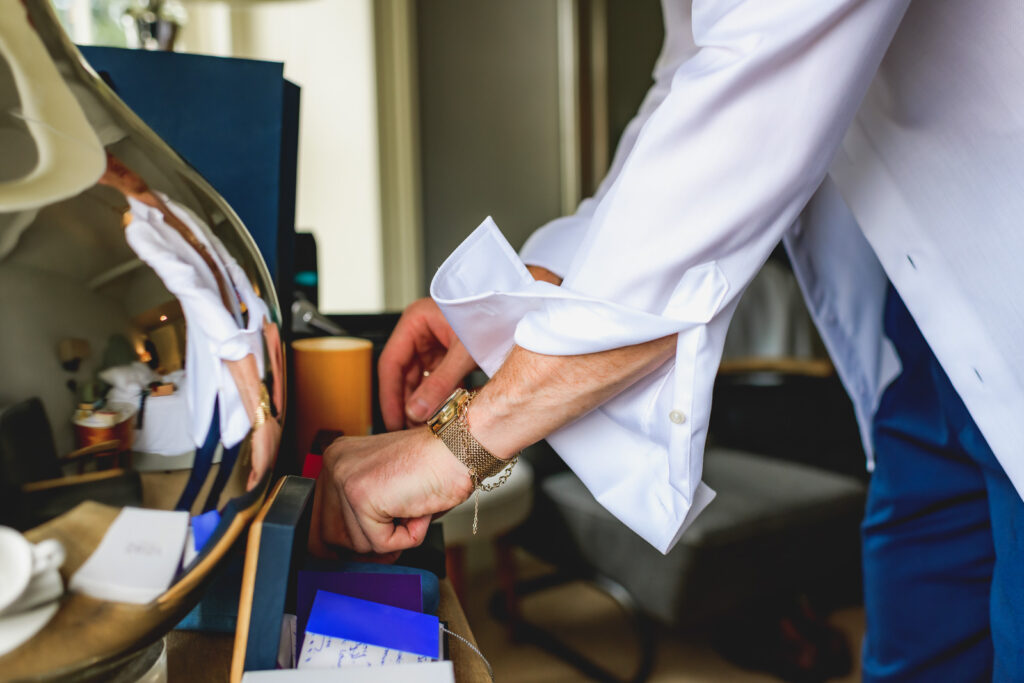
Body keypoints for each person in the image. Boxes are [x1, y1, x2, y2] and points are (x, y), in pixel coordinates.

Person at [311, 1, 1024, 679]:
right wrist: (545, 282)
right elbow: (697, 67)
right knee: (916, 648)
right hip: (931, 345)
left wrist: (462, 440)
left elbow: (755, 103)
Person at [99, 154, 283, 503]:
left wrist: (261, 319)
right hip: (222, 367)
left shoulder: (179, 212)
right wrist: (258, 410)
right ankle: (194, 521)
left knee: (239, 466)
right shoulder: (140, 231)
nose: (114, 163)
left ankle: (214, 515)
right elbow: (196, 295)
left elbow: (230, 266)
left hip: (248, 345)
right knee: (213, 462)